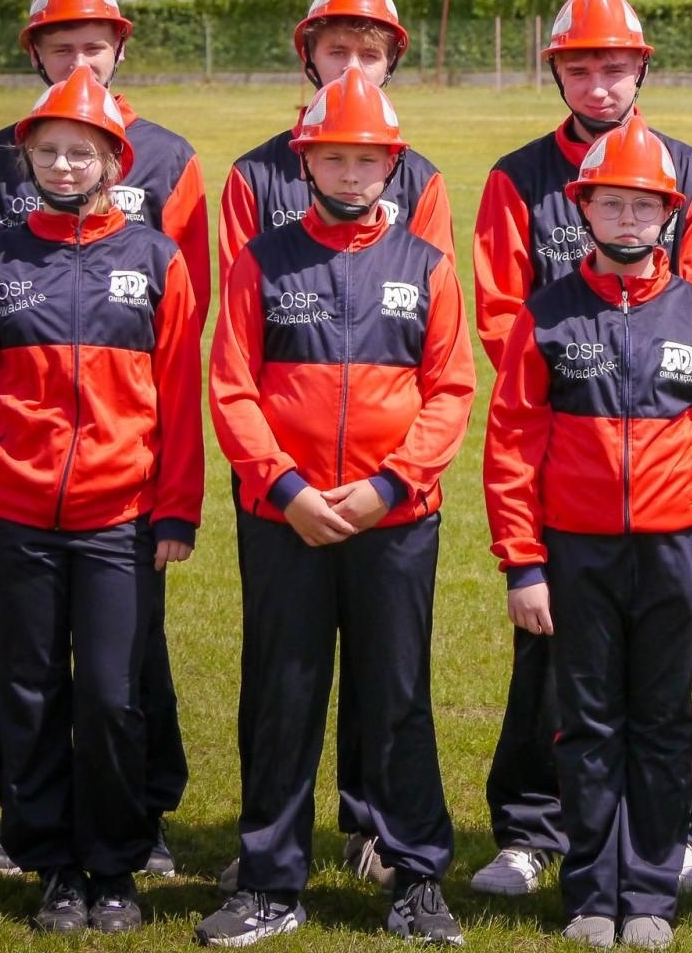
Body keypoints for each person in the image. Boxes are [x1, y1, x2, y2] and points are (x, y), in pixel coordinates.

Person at [0, 0, 204, 879]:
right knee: (27, 668)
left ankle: (144, 818)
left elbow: (182, 314)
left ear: (119, 50)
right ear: (37, 55)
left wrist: (173, 495)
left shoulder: (167, 157)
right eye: (62, 50)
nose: (80, 63)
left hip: (122, 484)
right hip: (22, 464)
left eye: (95, 46)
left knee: (129, 671)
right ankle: (30, 823)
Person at [471, 0, 692, 897]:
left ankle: (673, 831)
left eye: (615, 67)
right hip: (564, 446)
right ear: (559, 73)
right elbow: (504, 313)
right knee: (548, 660)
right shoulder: (516, 178)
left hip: (662, 465)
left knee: (663, 672)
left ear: (640, 69)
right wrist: (569, 384)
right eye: (581, 67)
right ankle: (533, 828)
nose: (599, 83)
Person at [203, 69, 474, 947]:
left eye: (368, 159)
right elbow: (232, 386)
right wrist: (287, 489)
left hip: (394, 520)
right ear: (306, 160)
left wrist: (388, 486)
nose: (352, 173)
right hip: (285, 521)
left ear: (392, 166)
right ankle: (271, 881)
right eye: (335, 157)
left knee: (396, 695)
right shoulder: (261, 260)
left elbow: (451, 390)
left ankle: (416, 876)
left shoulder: (427, 266)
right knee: (284, 695)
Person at [484, 116, 692, 948]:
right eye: (613, 205)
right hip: (578, 551)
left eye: (646, 206)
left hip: (679, 552)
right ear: (585, 211)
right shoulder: (548, 316)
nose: (630, 220)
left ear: (668, 215)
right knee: (589, 722)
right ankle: (589, 894)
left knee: (663, 718)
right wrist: (524, 563)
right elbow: (511, 443)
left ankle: (647, 892)